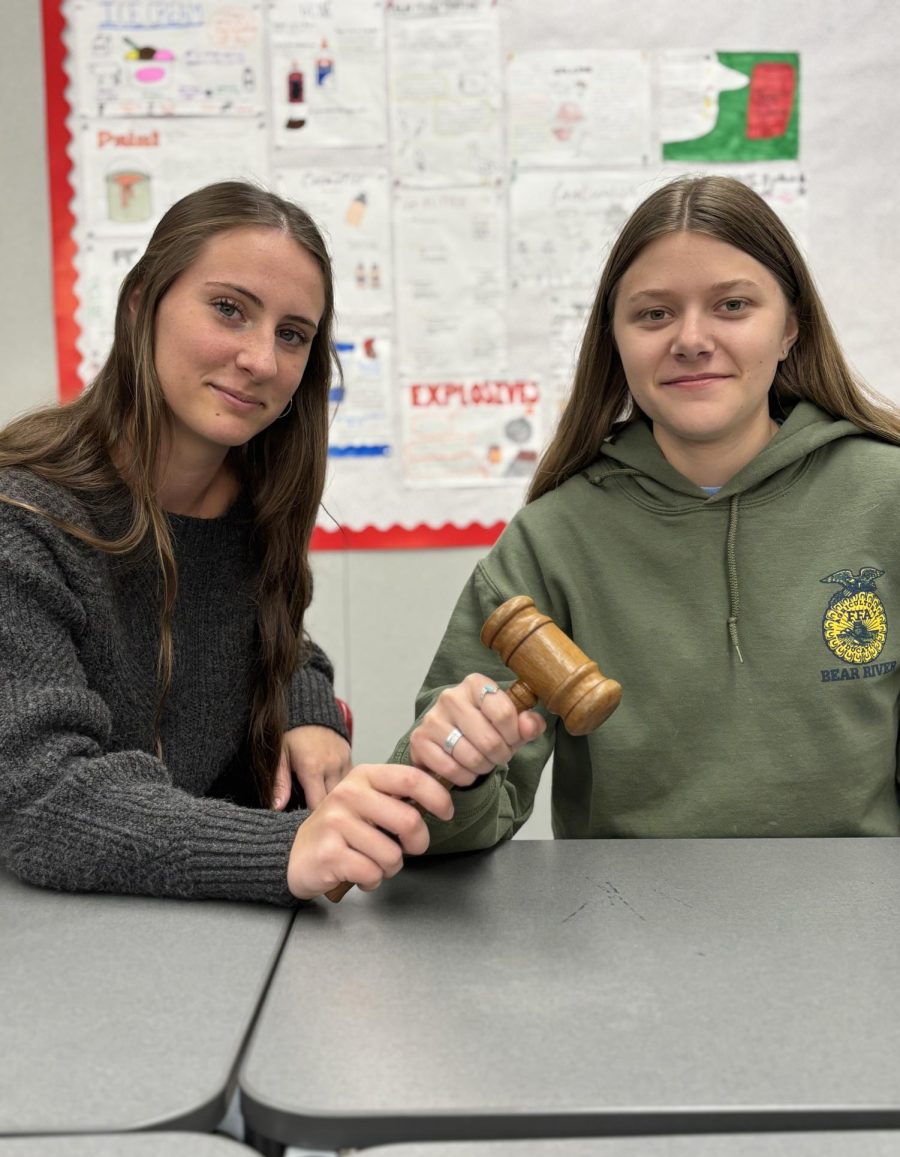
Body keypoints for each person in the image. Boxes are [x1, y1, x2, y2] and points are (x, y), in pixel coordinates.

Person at [393, 174, 900, 851]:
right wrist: (453, 766)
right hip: (624, 930)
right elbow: (433, 827)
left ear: (790, 328)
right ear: (616, 340)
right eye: (654, 314)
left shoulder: (885, 495)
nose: (691, 339)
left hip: (861, 928)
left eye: (732, 305)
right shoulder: (554, 540)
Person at [0, 180, 450, 904]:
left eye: (292, 334)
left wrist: (303, 704)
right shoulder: (20, 518)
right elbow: (46, 798)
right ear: (143, 302)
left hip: (214, 935)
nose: (261, 360)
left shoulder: (256, 502)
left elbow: (275, 641)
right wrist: (287, 847)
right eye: (229, 309)